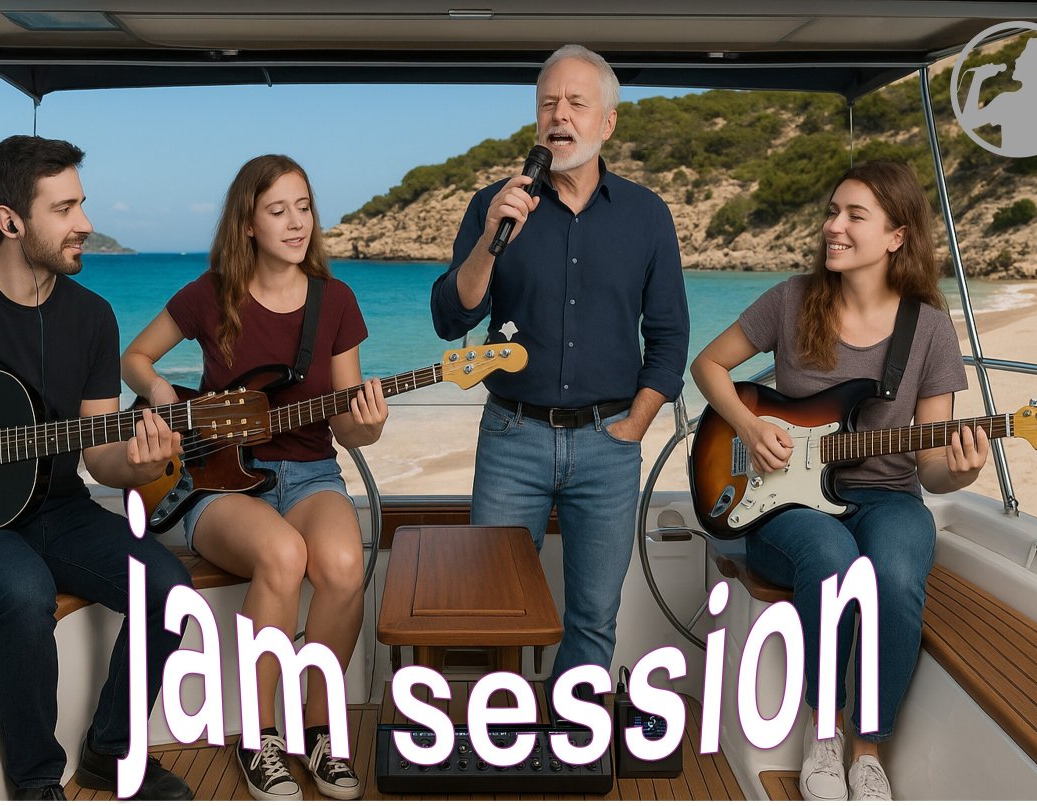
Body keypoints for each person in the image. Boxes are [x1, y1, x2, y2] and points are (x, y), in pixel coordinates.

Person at [0, 135, 193, 800]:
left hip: (60, 511)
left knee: (168, 589)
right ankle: (36, 785)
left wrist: (144, 459)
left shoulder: (92, 318)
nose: (86, 223)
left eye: (81, 204)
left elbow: (101, 454)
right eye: (65, 209)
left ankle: (112, 754)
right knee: (24, 593)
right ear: (10, 222)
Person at [690, 160, 990, 801]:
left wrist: (960, 470)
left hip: (887, 497)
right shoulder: (792, 300)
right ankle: (821, 735)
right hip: (781, 504)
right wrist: (745, 425)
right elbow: (709, 365)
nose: (835, 226)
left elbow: (934, 469)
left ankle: (865, 749)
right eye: (833, 211)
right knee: (829, 558)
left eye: (855, 215)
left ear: (896, 236)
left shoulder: (929, 328)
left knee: (896, 573)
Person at [122, 155, 385, 801]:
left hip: (312, 471)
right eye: (278, 210)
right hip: (218, 481)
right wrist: (170, 405)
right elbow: (136, 357)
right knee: (283, 555)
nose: (296, 223)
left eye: (304, 206)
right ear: (248, 224)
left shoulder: (337, 300)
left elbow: (347, 425)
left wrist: (368, 427)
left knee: (345, 564)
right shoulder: (210, 294)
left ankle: (319, 730)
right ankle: (259, 737)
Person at [430, 44, 689, 697]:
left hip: (610, 446)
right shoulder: (496, 204)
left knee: (594, 619)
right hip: (512, 440)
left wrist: (638, 421)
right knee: (495, 607)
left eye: (576, 103)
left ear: (607, 123)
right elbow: (451, 318)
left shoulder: (647, 216)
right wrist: (493, 239)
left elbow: (668, 335)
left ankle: (574, 747)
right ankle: (505, 738)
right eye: (548, 103)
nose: (559, 116)